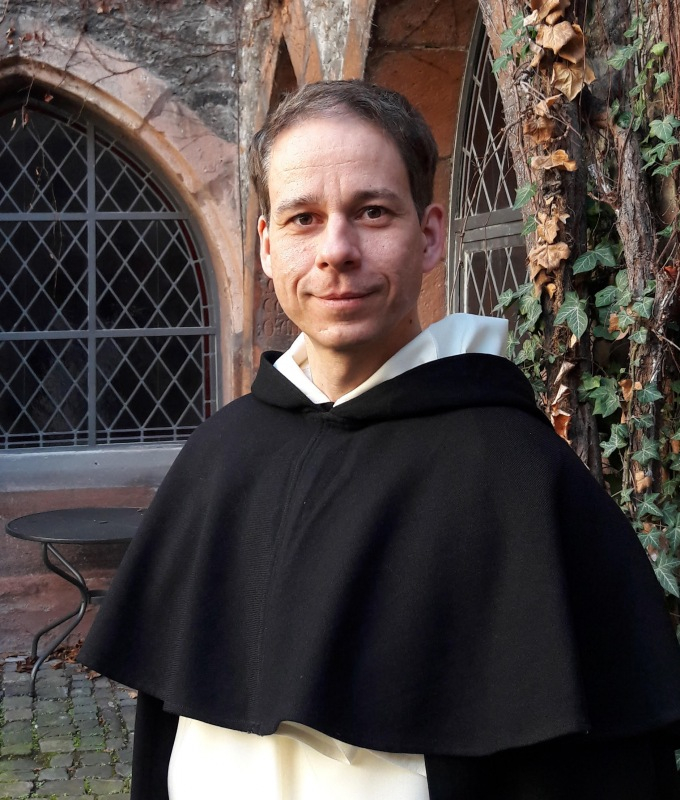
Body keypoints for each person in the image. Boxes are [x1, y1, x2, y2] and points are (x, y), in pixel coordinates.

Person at [79, 80, 680, 799]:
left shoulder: (520, 478)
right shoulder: (219, 457)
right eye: (303, 218)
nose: (336, 250)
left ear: (428, 236)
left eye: (372, 212)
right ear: (267, 246)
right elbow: (165, 733)